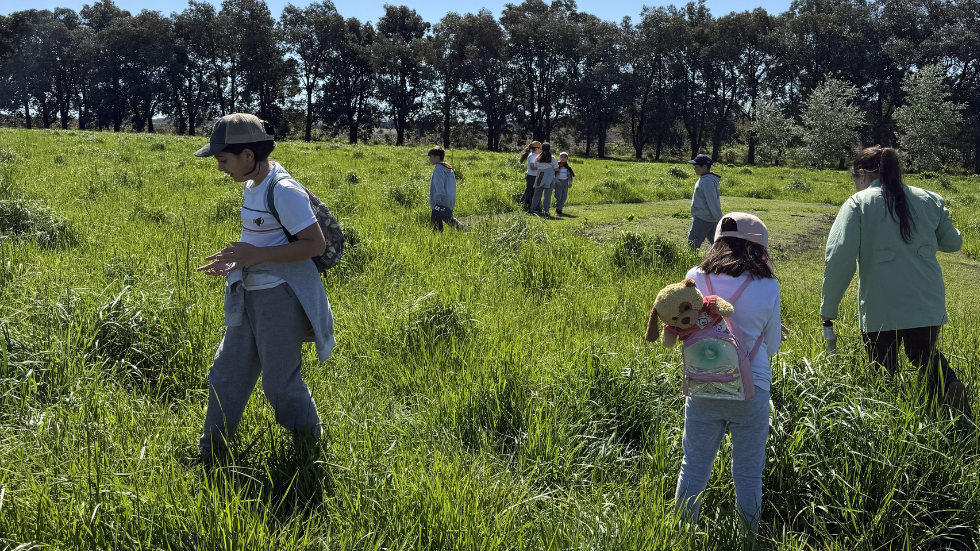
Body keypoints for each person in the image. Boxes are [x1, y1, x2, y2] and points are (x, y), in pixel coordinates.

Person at [194, 113, 335, 462]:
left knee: (279, 385)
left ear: (247, 155)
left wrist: (254, 255)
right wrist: (239, 259)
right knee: (225, 374)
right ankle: (210, 455)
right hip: (249, 294)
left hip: (280, 296)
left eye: (223, 160)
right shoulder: (252, 182)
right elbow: (260, 239)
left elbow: (314, 245)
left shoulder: (282, 190)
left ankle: (309, 449)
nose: (220, 168)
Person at [821, 146, 973, 422]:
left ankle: (889, 421)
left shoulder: (858, 204)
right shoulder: (929, 198)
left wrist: (828, 307)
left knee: (882, 367)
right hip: (926, 300)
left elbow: (838, 259)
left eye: (854, 177)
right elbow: (953, 243)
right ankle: (949, 386)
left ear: (863, 174)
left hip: (881, 304)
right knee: (924, 355)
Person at [674, 213, 782, 540]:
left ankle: (681, 536)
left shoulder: (694, 277)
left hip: (703, 384)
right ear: (758, 247)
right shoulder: (768, 286)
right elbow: (773, 345)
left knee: (693, 467)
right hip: (751, 389)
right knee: (749, 474)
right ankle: (746, 540)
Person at [687, 154, 723, 250]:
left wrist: (719, 218)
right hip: (710, 217)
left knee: (692, 243)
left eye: (696, 167)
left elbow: (711, 200)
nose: (694, 169)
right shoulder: (705, 179)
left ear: (704, 167)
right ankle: (721, 260)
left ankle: (691, 262)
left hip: (703, 217)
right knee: (717, 244)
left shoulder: (707, 181)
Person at [428, 145, 461, 231]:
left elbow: (439, 185)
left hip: (441, 199)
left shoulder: (438, 169)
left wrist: (438, 200)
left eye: (431, 157)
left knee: (436, 220)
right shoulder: (448, 168)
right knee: (448, 218)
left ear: (437, 157)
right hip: (450, 198)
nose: (429, 159)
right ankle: (463, 229)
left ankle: (463, 229)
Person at [529, 142, 559, 216]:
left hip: (540, 177)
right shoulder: (552, 158)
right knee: (547, 196)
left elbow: (536, 166)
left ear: (542, 148)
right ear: (549, 149)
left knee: (536, 195)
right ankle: (546, 211)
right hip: (550, 178)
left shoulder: (538, 158)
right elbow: (556, 169)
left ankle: (531, 210)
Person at [519, 141, 542, 211]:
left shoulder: (533, 155)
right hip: (532, 176)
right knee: (537, 191)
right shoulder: (532, 156)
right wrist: (540, 167)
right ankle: (537, 208)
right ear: (536, 149)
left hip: (530, 175)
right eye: (539, 149)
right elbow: (532, 167)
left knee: (528, 191)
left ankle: (521, 203)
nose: (540, 150)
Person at [554, 151, 575, 215]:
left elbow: (569, 176)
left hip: (565, 182)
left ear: (567, 158)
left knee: (564, 196)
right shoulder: (557, 165)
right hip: (558, 182)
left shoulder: (567, 167)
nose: (563, 158)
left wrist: (570, 183)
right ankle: (557, 207)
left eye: (565, 157)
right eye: (562, 157)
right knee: (558, 196)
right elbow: (554, 175)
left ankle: (560, 209)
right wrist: (557, 181)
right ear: (559, 157)